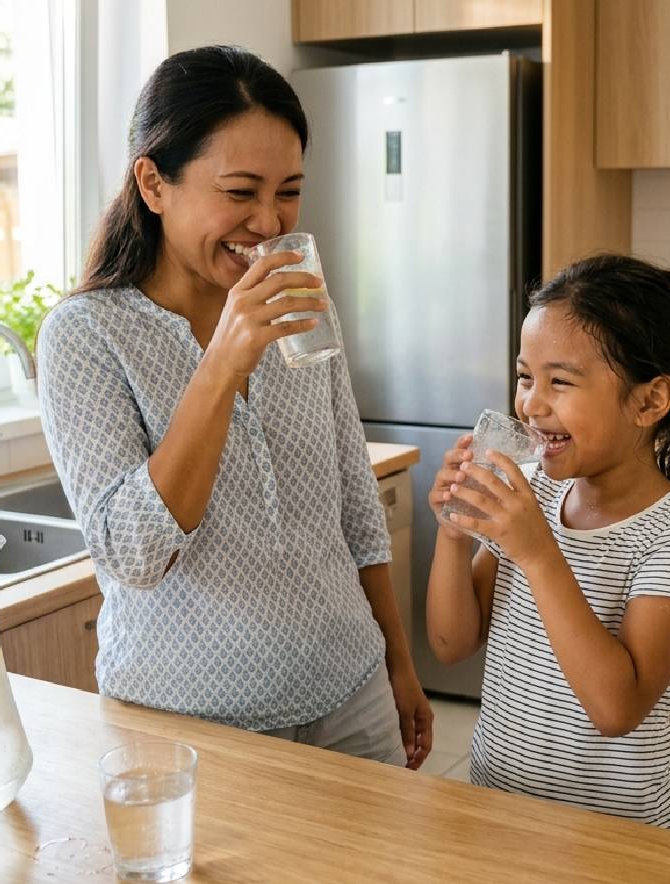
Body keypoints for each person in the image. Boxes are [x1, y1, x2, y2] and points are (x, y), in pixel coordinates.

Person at [38, 45, 432, 768]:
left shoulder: (299, 303)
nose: (268, 222)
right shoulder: (86, 336)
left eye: (288, 191)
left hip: (350, 694)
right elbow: (134, 554)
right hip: (189, 725)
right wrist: (222, 362)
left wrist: (396, 664)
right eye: (240, 191)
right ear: (153, 183)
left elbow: (353, 501)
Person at [426, 254, 670, 828]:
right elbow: (452, 644)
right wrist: (453, 535)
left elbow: (617, 709)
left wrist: (537, 554)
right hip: (500, 809)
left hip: (614, 836)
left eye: (561, 382)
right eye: (525, 377)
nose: (531, 404)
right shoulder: (535, 493)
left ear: (650, 401)